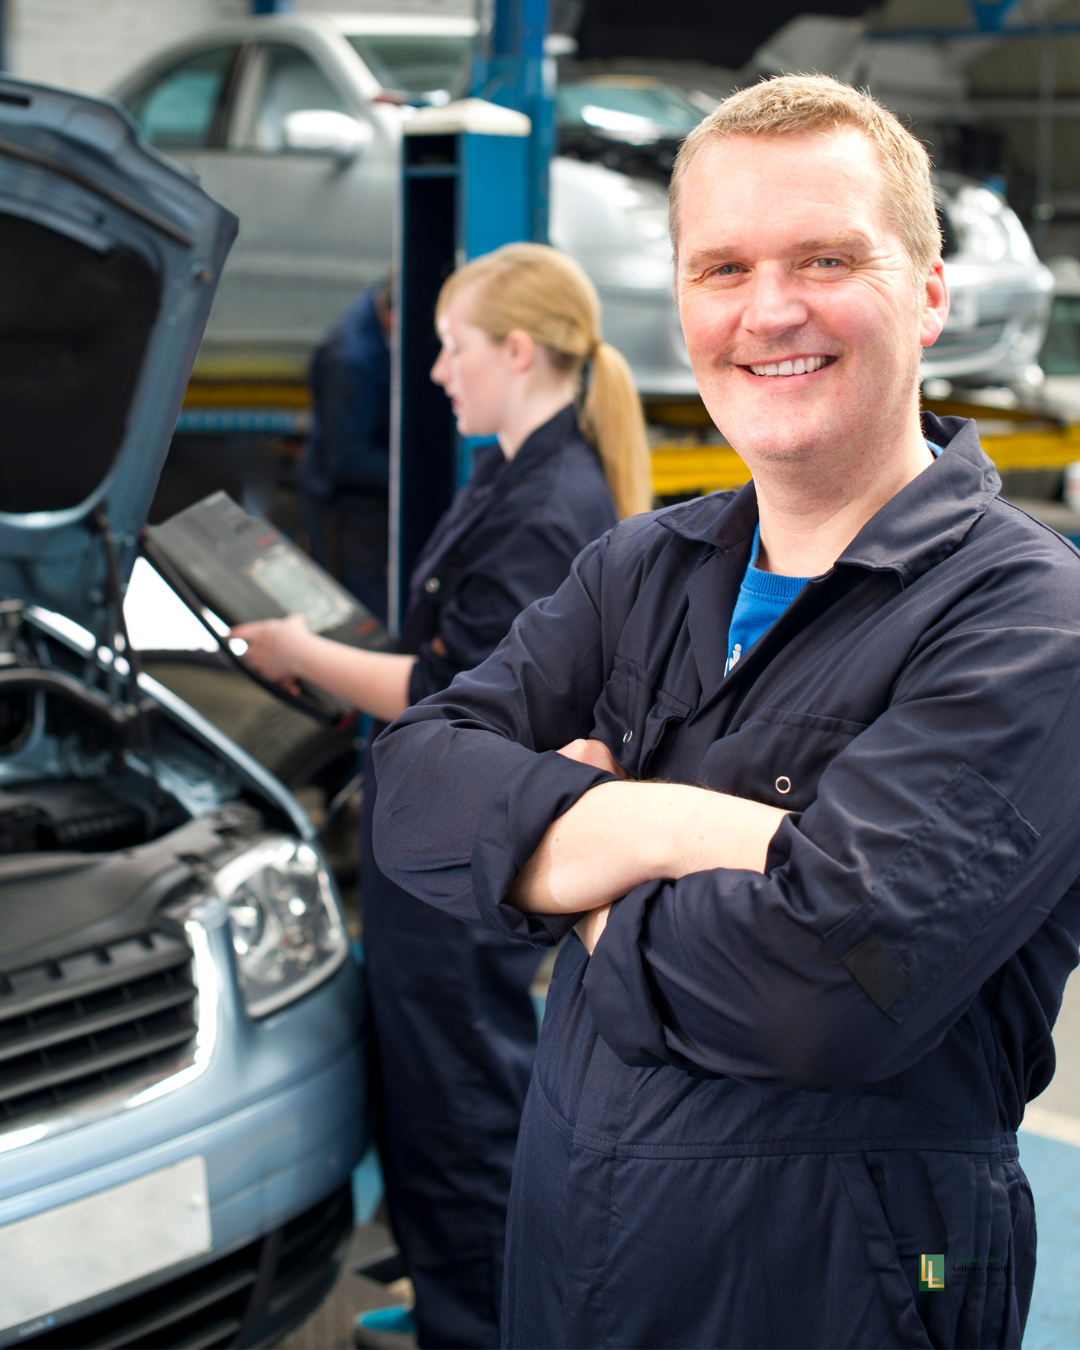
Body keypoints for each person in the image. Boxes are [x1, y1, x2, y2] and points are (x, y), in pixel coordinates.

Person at [372, 76, 1080, 1350]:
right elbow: (414, 788)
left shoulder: (1028, 622)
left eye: (825, 258)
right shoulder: (641, 569)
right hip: (572, 1266)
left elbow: (822, 992)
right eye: (722, 268)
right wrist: (666, 825)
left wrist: (559, 873)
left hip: (827, 1297)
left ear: (927, 293)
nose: (770, 311)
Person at [234, 241, 652, 1350]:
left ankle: (477, 1322)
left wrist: (300, 651)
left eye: (450, 347)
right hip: (456, 837)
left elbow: (452, 686)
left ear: (517, 350)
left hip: (471, 845)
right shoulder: (516, 470)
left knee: (462, 1106)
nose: (435, 372)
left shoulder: (542, 503)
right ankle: (454, 1295)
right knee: (445, 1092)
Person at [301, 275, 392, 623]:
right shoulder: (352, 361)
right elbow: (347, 458)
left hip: (367, 497)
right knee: (357, 607)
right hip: (343, 504)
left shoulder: (380, 323)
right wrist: (416, 478)